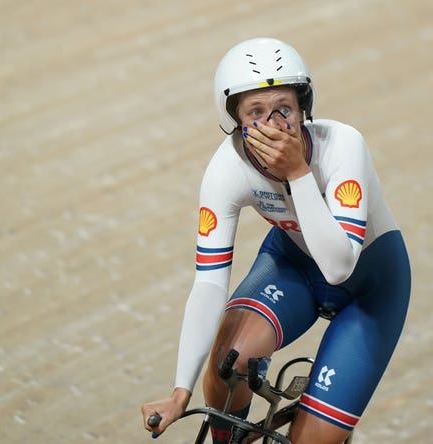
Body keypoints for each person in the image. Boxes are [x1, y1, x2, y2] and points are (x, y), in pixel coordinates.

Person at [141, 37, 411, 444]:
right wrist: (181, 390)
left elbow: (339, 268)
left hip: (370, 288)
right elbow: (210, 283)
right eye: (256, 112)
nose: (272, 124)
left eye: (284, 108)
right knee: (226, 365)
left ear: (304, 109)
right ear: (235, 118)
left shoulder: (343, 146)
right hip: (296, 265)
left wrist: (298, 173)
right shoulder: (227, 169)